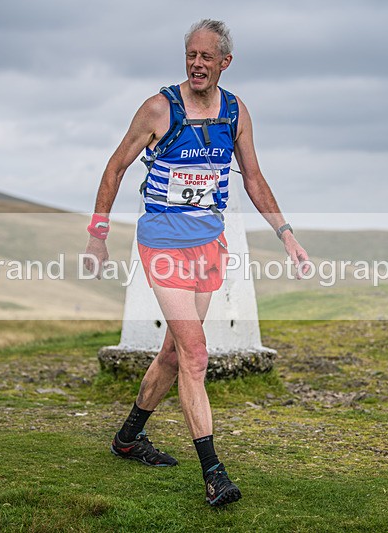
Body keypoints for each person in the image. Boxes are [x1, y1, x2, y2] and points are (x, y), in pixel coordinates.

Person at [83, 19, 310, 507]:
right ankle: (213, 474)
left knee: (172, 354)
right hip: (162, 243)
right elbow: (115, 167)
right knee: (196, 353)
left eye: (207, 57)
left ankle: (128, 438)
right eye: (191, 54)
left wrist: (286, 235)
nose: (197, 64)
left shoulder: (235, 112)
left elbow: (252, 177)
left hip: (209, 244)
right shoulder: (158, 108)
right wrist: (97, 236)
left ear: (225, 62)